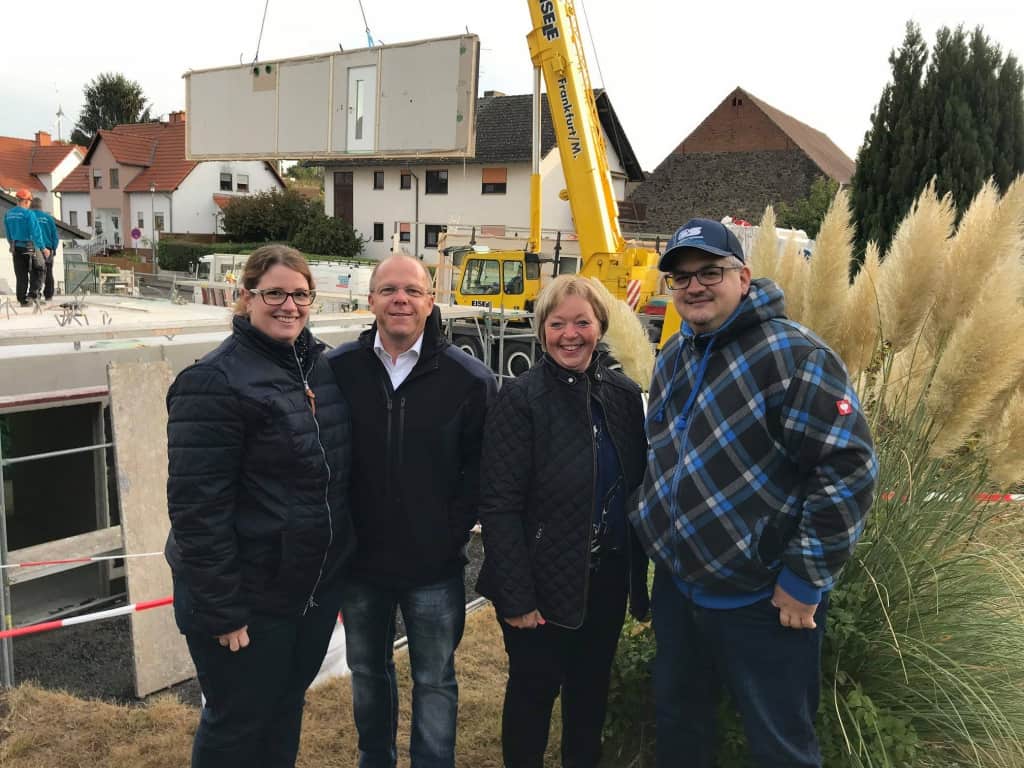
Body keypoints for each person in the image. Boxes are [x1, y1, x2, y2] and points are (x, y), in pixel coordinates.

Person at [632, 219, 878, 767]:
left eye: (709, 273)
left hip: (764, 600)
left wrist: (804, 578)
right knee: (680, 727)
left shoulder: (796, 356)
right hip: (680, 588)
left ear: (743, 277)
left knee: (780, 746)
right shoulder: (675, 354)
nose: (694, 287)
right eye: (681, 278)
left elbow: (849, 469)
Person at [165, 244, 356, 768]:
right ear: (244, 296)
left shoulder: (318, 368)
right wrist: (224, 611)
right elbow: (197, 512)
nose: (288, 305)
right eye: (273, 293)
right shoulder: (214, 382)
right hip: (247, 603)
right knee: (236, 726)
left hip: (305, 596)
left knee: (284, 713)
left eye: (300, 294)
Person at [327, 254, 495, 768]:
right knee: (368, 673)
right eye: (389, 289)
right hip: (360, 566)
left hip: (433, 567)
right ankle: (374, 758)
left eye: (413, 290)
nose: (401, 299)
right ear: (371, 299)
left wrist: (450, 531)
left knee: (435, 679)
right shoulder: (337, 371)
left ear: (430, 302)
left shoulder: (469, 379)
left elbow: (482, 468)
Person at [475, 275, 650, 768]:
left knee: (589, 697)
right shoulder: (521, 399)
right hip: (540, 580)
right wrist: (517, 596)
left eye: (582, 322)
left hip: (606, 579)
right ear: (541, 330)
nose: (570, 334)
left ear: (601, 326)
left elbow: (635, 486)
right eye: (557, 324)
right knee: (533, 696)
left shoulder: (622, 394)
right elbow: (500, 504)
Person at [4, 188, 50, 306]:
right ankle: (33, 296)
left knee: (21, 274)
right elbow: (36, 232)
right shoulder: (29, 214)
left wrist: (12, 244)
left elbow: (8, 234)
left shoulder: (8, 214)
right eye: (30, 201)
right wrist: (43, 248)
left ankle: (22, 300)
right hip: (29, 246)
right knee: (39, 268)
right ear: (26, 201)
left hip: (16, 246)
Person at [29, 197, 59, 302]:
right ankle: (49, 295)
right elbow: (55, 235)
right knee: (49, 271)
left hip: (34, 247)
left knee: (35, 272)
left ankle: (35, 294)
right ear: (41, 206)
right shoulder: (48, 218)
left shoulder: (29, 217)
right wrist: (54, 248)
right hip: (48, 248)